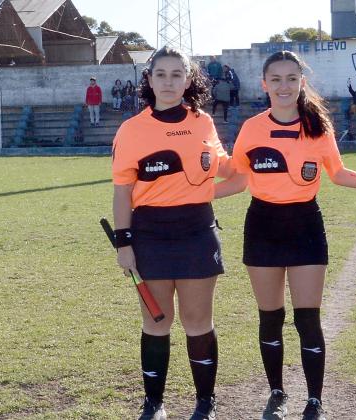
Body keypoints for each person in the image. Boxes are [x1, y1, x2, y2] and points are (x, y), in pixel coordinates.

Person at [111, 46, 245, 420]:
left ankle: (206, 402)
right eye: (161, 74)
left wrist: (250, 153)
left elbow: (220, 166)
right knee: (157, 322)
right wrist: (124, 242)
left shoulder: (202, 121)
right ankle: (154, 403)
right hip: (149, 233)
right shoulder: (131, 130)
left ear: (188, 80)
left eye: (177, 75)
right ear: (149, 79)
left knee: (198, 321)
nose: (169, 82)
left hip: (196, 231)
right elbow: (122, 190)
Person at [231, 50, 356, 420]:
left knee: (308, 318)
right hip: (262, 225)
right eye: (276, 79)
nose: (284, 85)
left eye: (292, 78)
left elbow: (337, 174)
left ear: (301, 83)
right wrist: (189, 191)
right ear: (264, 84)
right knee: (270, 316)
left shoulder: (318, 128)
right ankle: (277, 392)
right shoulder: (252, 128)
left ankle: (314, 401)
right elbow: (238, 177)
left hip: (305, 225)